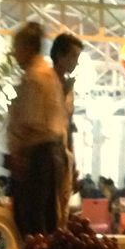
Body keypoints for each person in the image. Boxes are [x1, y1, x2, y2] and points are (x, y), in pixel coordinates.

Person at [6, 22, 66, 238]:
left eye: (17, 47)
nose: (14, 53)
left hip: (37, 155)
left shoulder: (35, 77)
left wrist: (20, 156)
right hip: (48, 154)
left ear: (28, 47)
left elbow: (31, 123)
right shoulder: (47, 75)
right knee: (45, 219)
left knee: (32, 221)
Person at [50, 32, 83, 226]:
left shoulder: (69, 88)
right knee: (51, 208)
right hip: (49, 156)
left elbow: (68, 126)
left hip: (64, 156)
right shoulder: (46, 82)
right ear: (61, 56)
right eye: (74, 58)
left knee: (63, 210)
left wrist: (73, 162)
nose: (76, 64)